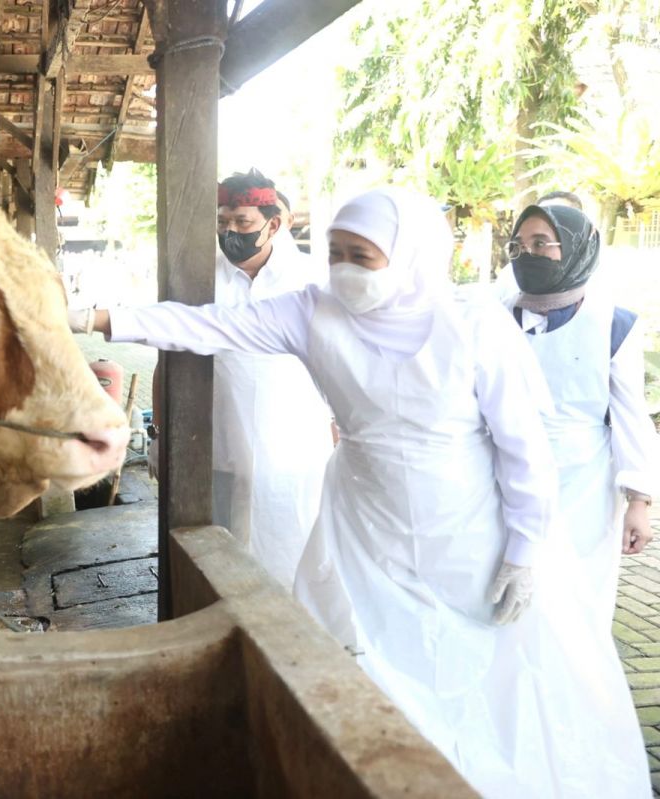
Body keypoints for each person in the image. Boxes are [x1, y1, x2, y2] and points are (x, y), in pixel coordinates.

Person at [71, 187, 647, 796]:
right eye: (335, 252)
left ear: (410, 254)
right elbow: (207, 325)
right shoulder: (313, 312)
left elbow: (523, 450)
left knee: (495, 676)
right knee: (369, 660)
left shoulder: (474, 324)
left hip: (470, 528)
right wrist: (95, 318)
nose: (344, 269)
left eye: (361, 256)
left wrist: (525, 550)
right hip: (363, 527)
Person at [504, 203, 657, 628]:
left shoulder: (613, 324)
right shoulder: (495, 316)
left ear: (577, 250)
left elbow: (630, 416)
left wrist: (639, 502)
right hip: (504, 475)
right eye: (518, 245)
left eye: (541, 244)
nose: (527, 254)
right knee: (510, 593)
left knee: (575, 600)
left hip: (583, 483)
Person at [202, 170, 332, 589]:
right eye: (224, 222)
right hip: (220, 438)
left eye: (243, 223)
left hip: (296, 444)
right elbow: (172, 351)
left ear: (273, 224)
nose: (231, 232)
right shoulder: (202, 276)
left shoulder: (311, 280)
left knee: (294, 547)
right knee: (222, 552)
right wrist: (159, 432)